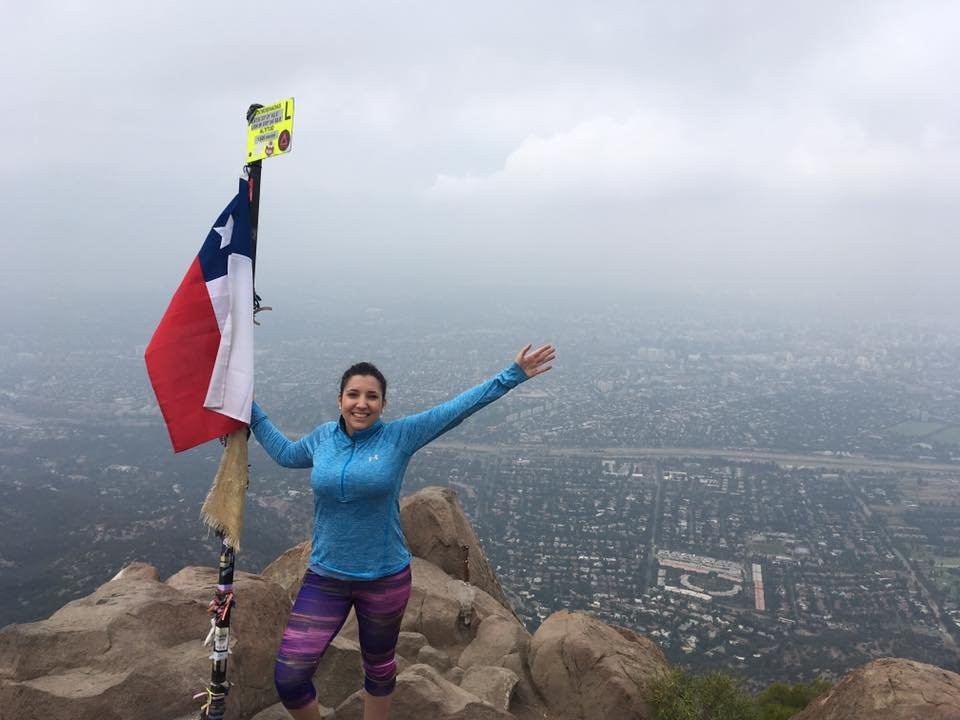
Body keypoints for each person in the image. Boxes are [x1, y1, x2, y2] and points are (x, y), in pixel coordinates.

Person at [249, 343, 555, 720]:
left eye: (372, 397)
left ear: (383, 404)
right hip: (326, 575)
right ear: (339, 399)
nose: (362, 404)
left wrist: (513, 375)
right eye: (354, 395)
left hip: (383, 577)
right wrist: (247, 408)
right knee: (291, 676)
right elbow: (283, 453)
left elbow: (456, 410)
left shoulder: (399, 437)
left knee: (378, 670)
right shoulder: (322, 439)